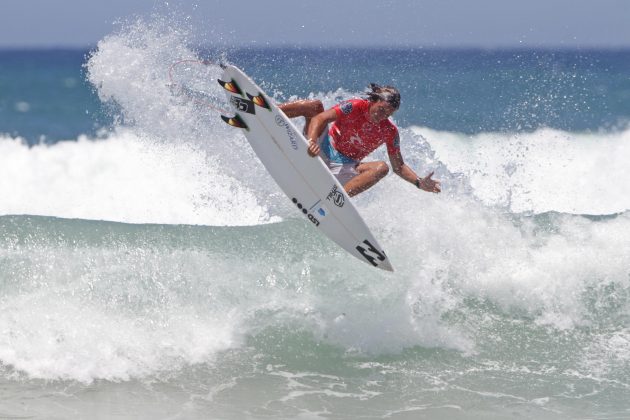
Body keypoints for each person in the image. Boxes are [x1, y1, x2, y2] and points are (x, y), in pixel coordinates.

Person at [279, 84, 440, 197]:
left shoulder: (389, 131)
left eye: (388, 114)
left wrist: (418, 182)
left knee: (381, 167)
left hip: (344, 168)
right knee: (314, 106)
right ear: (374, 101)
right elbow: (321, 118)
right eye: (381, 109)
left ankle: (336, 198)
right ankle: (262, 109)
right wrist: (312, 141)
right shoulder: (355, 106)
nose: (382, 115)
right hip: (321, 148)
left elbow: (399, 167)